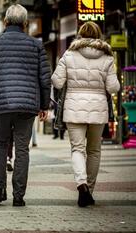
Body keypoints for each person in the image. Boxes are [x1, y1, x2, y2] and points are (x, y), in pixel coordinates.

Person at [0, 4, 51, 207]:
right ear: (25, 23)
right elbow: (45, 78)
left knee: (0, 144)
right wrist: (45, 105)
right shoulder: (36, 45)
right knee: (22, 149)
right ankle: (19, 196)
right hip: (27, 105)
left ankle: (0, 191)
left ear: (5, 21)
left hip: (1, 104)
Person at [51, 21, 120, 207]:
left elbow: (57, 82)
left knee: (77, 149)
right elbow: (113, 87)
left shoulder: (69, 54)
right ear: (99, 35)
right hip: (98, 109)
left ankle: (81, 184)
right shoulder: (107, 57)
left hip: (73, 108)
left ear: (80, 35)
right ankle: (89, 188)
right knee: (94, 150)